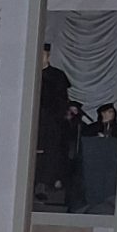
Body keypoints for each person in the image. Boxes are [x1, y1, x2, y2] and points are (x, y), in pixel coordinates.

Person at [37, 41, 74, 200]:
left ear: (48, 56)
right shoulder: (30, 72)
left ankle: (46, 184)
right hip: (34, 118)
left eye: (42, 54)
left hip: (51, 120)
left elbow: (61, 99)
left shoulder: (57, 75)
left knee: (51, 152)